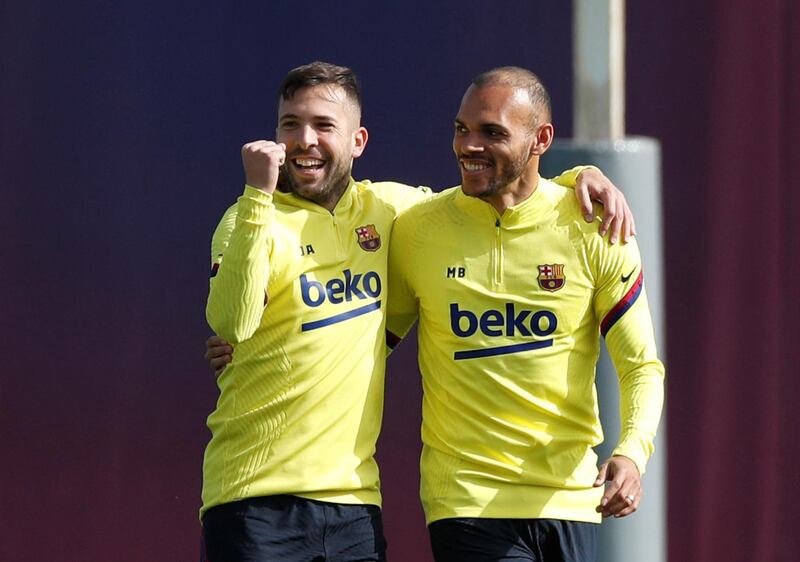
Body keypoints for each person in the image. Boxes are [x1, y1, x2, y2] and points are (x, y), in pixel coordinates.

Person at [201, 61, 637, 562]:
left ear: (358, 141)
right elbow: (231, 323)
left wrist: (582, 174)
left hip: (353, 504)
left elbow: (506, 188)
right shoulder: (247, 217)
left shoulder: (391, 211)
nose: (305, 140)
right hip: (254, 497)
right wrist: (257, 194)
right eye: (290, 124)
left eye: (324, 126)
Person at [383, 67, 665, 562]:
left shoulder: (594, 227)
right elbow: (366, 339)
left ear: (541, 139)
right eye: (461, 129)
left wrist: (632, 453)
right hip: (465, 501)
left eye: (492, 133)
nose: (469, 146)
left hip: (571, 499)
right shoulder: (417, 228)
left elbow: (641, 364)